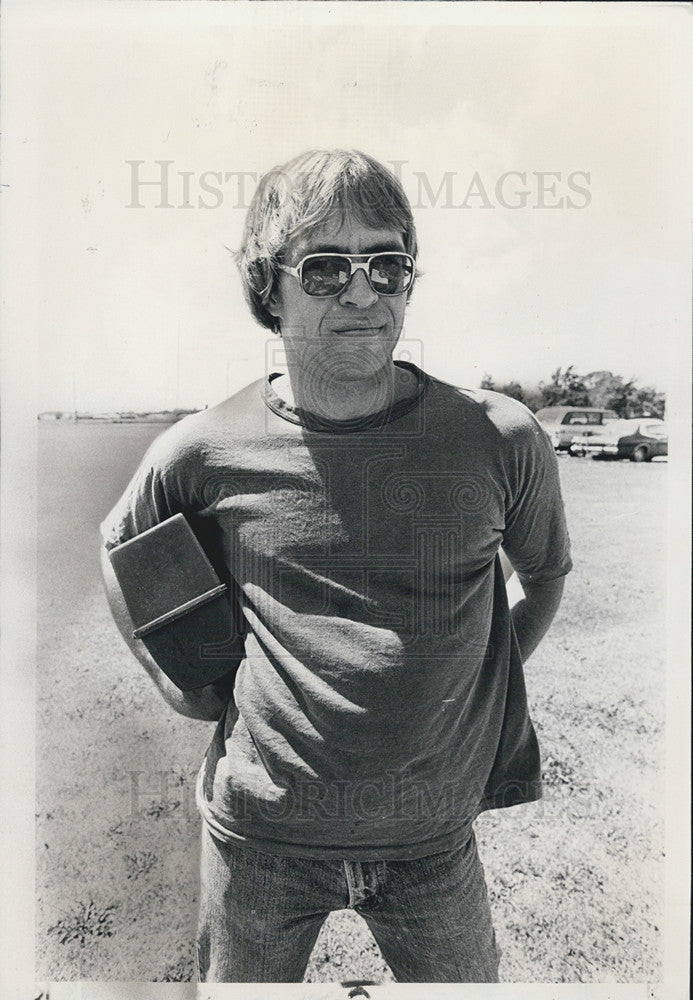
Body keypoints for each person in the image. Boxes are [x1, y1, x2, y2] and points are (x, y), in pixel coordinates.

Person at [100, 149, 572, 984]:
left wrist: (477, 684)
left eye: (386, 263)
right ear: (266, 288)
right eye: (324, 269)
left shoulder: (500, 437)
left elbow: (544, 575)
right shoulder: (203, 447)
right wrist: (177, 684)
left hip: (433, 841)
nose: (363, 292)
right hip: (259, 842)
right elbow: (118, 548)